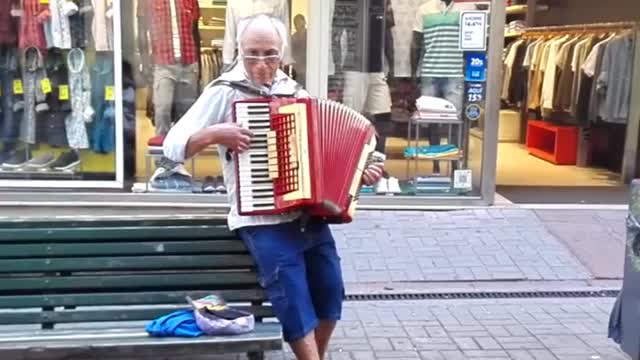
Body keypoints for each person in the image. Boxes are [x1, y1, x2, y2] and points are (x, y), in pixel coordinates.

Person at [162, 14, 384, 360]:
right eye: (252, 54)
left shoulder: (293, 91)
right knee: (293, 297)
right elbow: (172, 145)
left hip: (306, 216)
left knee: (330, 292)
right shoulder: (224, 92)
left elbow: (329, 152)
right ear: (238, 51)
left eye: (270, 54)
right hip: (260, 221)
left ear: (282, 54)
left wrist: (364, 172)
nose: (261, 64)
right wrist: (215, 133)